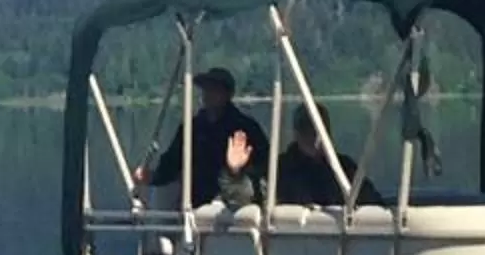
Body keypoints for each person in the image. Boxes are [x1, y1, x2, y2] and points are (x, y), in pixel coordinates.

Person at [136, 67, 268, 211]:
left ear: (228, 94)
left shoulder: (245, 128)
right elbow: (172, 162)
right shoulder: (191, 128)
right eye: (206, 89)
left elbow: (265, 165)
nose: (208, 94)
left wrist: (239, 171)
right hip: (195, 201)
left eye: (215, 89)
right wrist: (153, 177)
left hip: (232, 203)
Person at [273, 107, 347, 208]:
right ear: (296, 133)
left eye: (322, 130)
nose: (317, 137)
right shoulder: (278, 169)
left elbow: (366, 204)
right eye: (308, 129)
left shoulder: (344, 169)